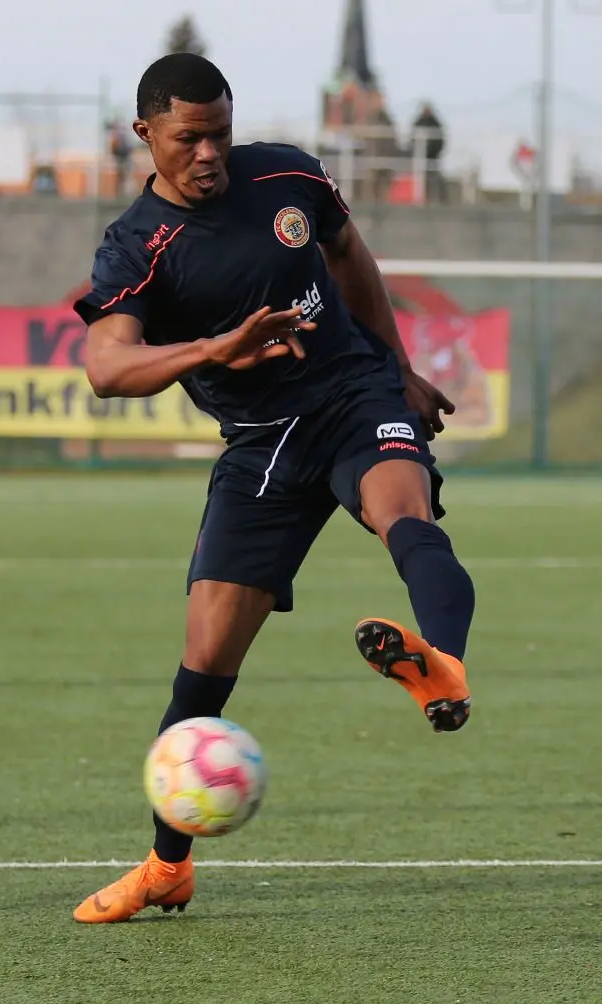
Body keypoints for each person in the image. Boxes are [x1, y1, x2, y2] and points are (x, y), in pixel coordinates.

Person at [70, 53, 474, 924]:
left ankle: (442, 665)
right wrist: (215, 349)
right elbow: (106, 367)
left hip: (352, 396)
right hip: (259, 449)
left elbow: (350, 251)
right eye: (189, 138)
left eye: (219, 131)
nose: (210, 152)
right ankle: (166, 866)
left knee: (402, 509)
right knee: (203, 669)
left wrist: (398, 368)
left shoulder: (286, 171)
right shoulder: (137, 244)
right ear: (146, 134)